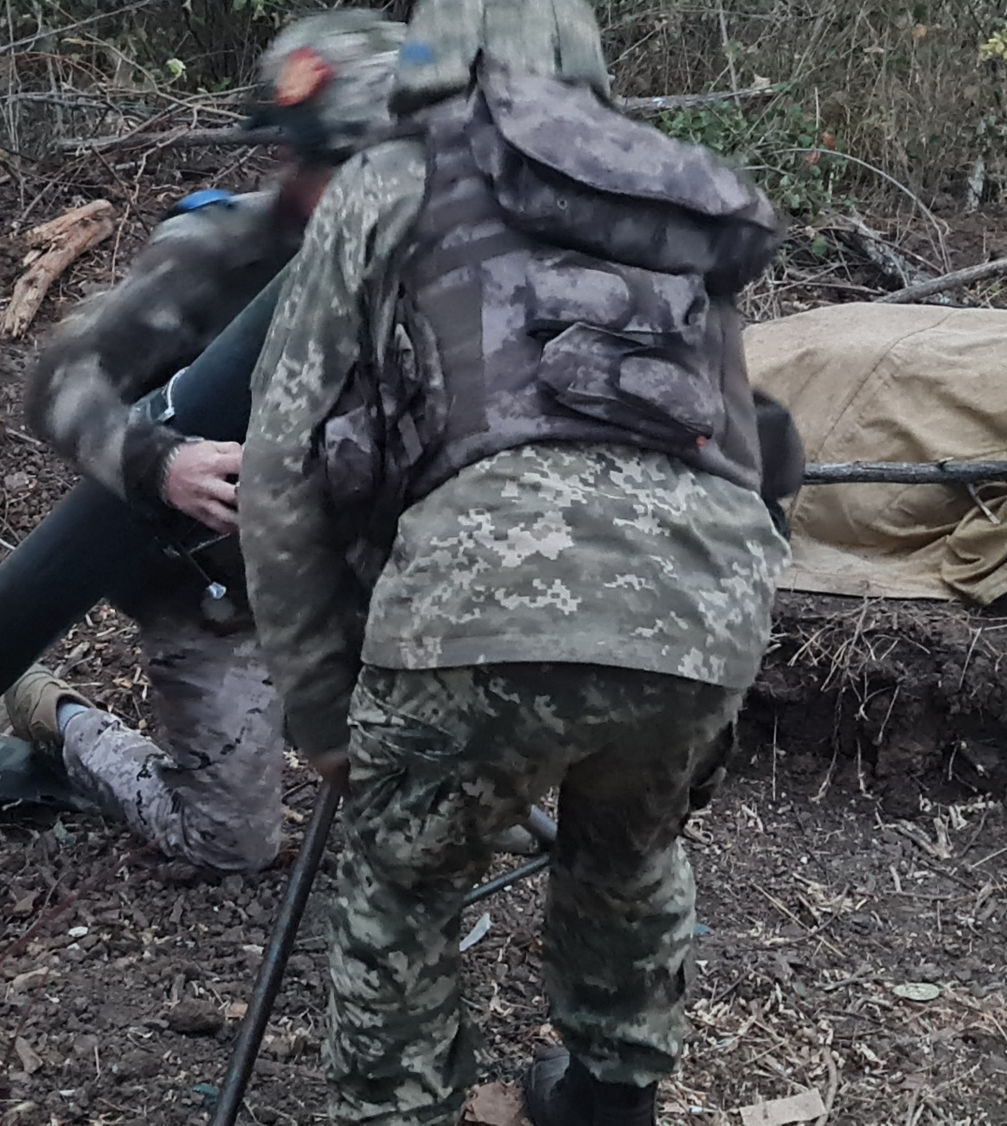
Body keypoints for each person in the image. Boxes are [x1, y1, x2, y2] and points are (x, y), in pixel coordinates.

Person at [238, 0, 796, 1122]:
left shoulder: (391, 179)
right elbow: (753, 445)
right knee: (627, 852)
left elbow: (282, 463)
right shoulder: (670, 182)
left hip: (473, 601)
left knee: (402, 886)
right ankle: (605, 1100)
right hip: (705, 602)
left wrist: (317, 711)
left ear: (427, 53)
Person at [3, 10, 407, 874]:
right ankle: (59, 718)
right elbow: (56, 384)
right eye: (329, 166)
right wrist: (161, 462)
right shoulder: (216, 253)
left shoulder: (423, 266)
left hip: (351, 574)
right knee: (230, 844)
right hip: (215, 596)